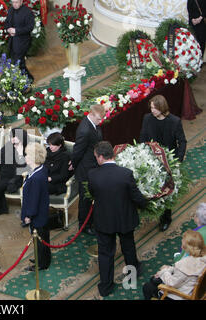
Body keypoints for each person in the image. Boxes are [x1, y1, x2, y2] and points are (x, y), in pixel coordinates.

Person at [87, 141, 147, 297]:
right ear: (112, 155)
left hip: (104, 220)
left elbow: (93, 193)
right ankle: (132, 275)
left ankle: (106, 287)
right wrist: (146, 203)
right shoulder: (125, 173)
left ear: (101, 157)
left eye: (96, 157)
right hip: (124, 219)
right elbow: (136, 196)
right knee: (128, 247)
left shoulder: (93, 175)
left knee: (105, 254)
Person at [139, 94, 187, 232]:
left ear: (162, 107)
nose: (152, 110)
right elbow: (143, 137)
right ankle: (152, 210)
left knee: (167, 190)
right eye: (151, 108)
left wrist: (177, 160)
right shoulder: (147, 119)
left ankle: (166, 218)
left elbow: (182, 142)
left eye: (154, 108)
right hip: (151, 158)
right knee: (152, 186)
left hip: (168, 161)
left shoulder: (175, 121)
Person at [70, 104, 106, 236]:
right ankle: (84, 226)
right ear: (91, 114)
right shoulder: (85, 130)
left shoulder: (94, 124)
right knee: (85, 200)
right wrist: (73, 164)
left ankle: (92, 221)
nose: (100, 122)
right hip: (85, 169)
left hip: (94, 165)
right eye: (98, 119)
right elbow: (78, 150)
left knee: (92, 197)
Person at [142, 230, 206, 300]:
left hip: (178, 296)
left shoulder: (185, 265)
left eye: (182, 241)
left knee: (147, 287)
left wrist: (164, 271)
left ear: (186, 247)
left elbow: (171, 283)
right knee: (154, 280)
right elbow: (181, 272)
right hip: (190, 288)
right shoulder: (201, 258)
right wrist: (169, 269)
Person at [22, 142, 51, 271]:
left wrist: (29, 215)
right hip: (42, 212)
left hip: (38, 215)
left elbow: (34, 199)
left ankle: (42, 264)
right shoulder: (40, 170)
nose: (25, 157)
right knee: (42, 238)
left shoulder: (37, 177)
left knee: (40, 239)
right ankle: (42, 258)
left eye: (27, 154)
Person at [4, 0, 35, 82]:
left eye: (16, 2)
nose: (14, 4)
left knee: (19, 61)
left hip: (23, 41)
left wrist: (16, 31)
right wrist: (9, 29)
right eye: (13, 2)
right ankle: (23, 79)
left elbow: (30, 27)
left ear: (21, 1)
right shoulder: (11, 10)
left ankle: (28, 79)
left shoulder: (28, 12)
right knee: (17, 61)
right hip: (13, 40)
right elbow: (7, 22)